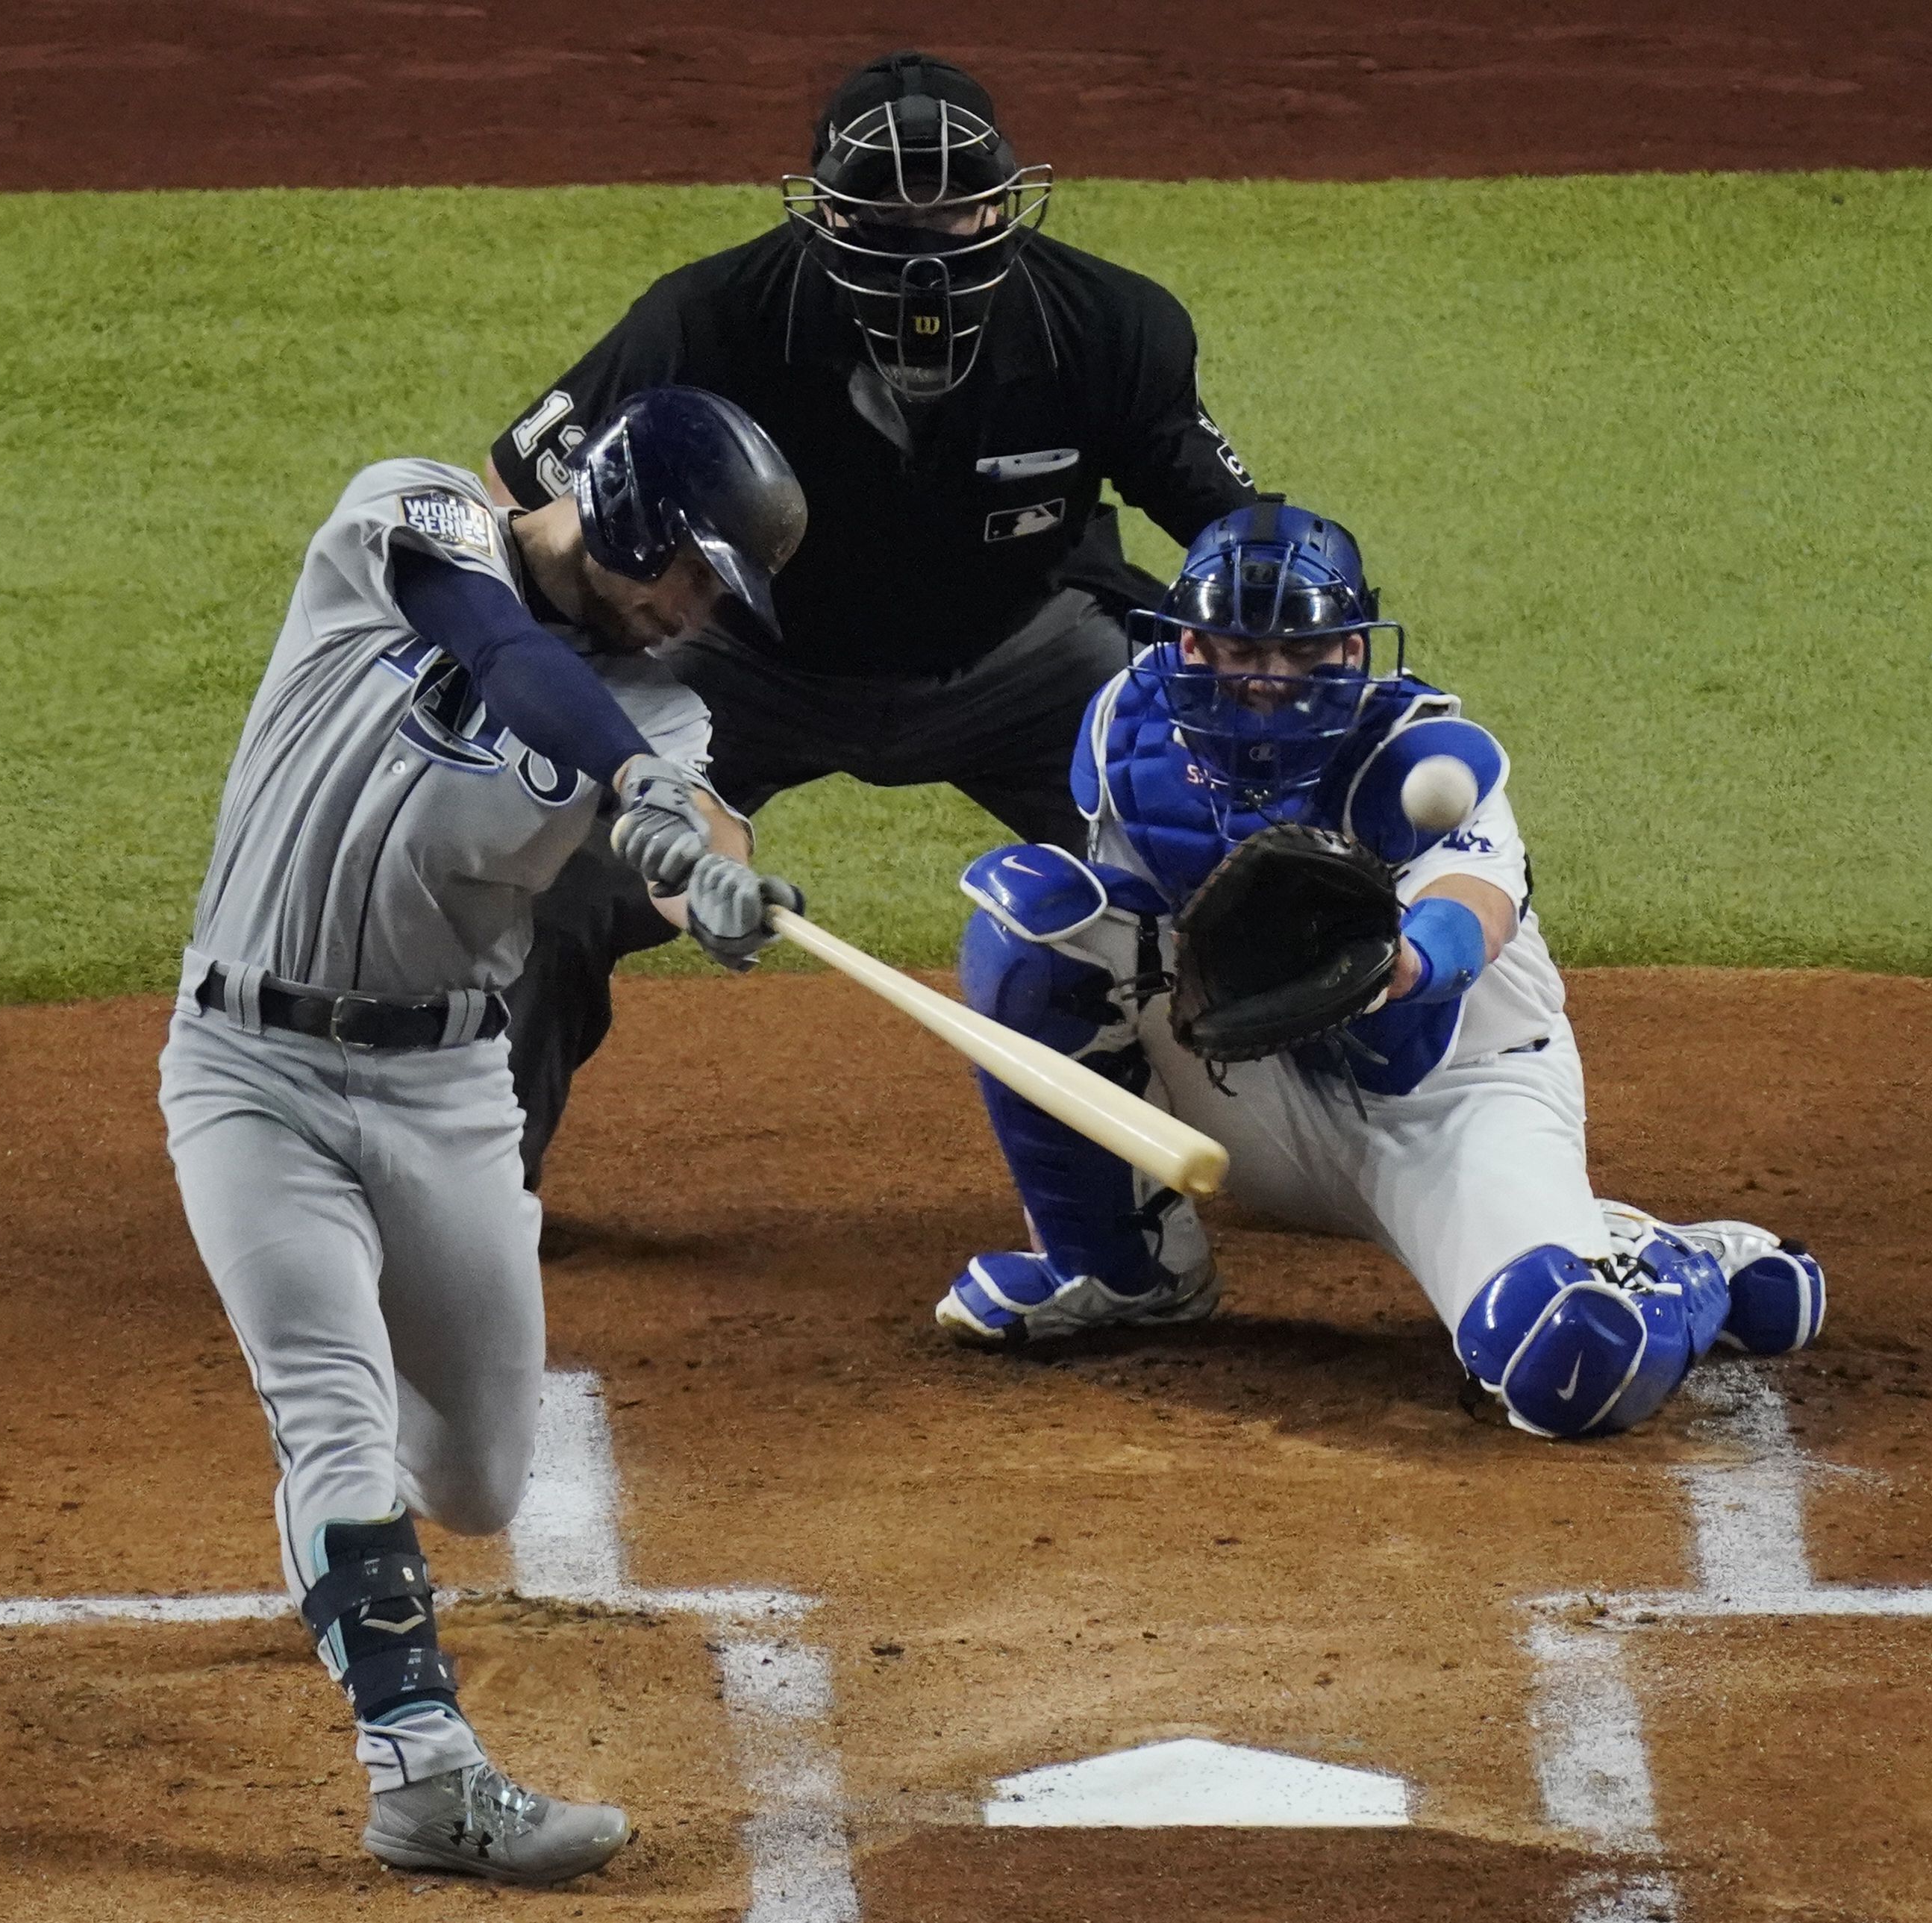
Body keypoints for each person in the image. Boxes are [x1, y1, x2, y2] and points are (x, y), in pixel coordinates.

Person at [157, 388, 805, 1882]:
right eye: (693, 569)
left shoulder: (661, 702)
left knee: (482, 1482)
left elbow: (701, 817)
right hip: (247, 1068)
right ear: (634, 511)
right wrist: (630, 788)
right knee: (333, 1407)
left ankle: (346, 1535)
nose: (695, 607)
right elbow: (502, 648)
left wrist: (710, 875)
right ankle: (423, 1771)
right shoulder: (413, 510)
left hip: (450, 1097)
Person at [485, 50, 1259, 1194]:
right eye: (887, 214)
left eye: (955, 207)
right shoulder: (710, 319)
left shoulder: (1108, 324)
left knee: (1222, 857)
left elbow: (1237, 531)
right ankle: (483, 1185)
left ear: (1005, 204)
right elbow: (517, 498)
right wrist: (584, 704)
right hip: (744, 658)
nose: (926, 242)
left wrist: (1271, 660)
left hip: (1027, 655)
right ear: (827, 216)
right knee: (553, 877)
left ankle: (1325, 1148)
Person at [936, 501, 1828, 1436]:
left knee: (1567, 1366)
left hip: (1453, 1102)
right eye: (1238, 651)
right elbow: (1130, 936)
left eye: (1297, 655)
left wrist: (1405, 961)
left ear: (1354, 654)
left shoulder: (1422, 758)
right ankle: (1122, 1270)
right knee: (1036, 926)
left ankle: (1676, 1267)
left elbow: (1472, 905)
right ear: (1189, 644)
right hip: (1256, 1085)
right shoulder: (1129, 731)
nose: (1264, 681)